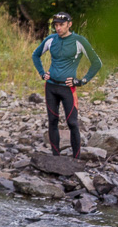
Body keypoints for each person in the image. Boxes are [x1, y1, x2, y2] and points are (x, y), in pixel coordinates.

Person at [32, 11, 102, 159]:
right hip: (51, 86)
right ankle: (55, 157)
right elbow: (35, 55)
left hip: (68, 88)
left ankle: (76, 159)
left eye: (61, 25)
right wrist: (42, 73)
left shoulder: (79, 41)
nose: (58, 28)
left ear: (69, 24)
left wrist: (82, 81)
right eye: (56, 25)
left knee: (72, 123)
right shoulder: (51, 39)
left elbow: (97, 63)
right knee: (52, 121)